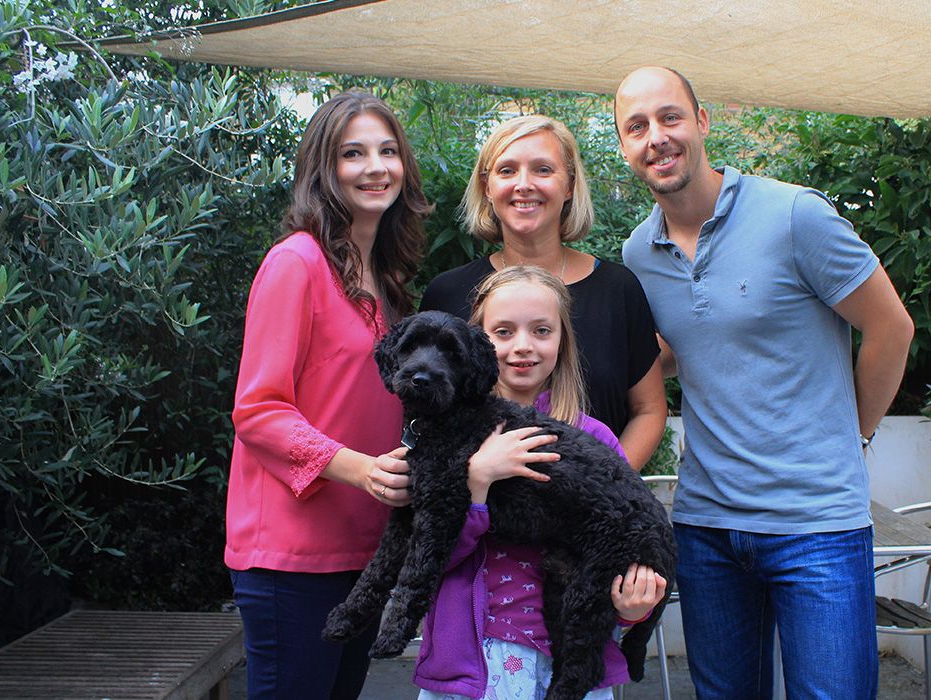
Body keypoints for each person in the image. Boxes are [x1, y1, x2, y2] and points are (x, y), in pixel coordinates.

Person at [614, 67, 916, 700]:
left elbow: (891, 328)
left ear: (701, 122)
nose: (656, 138)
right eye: (636, 127)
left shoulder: (793, 215)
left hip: (816, 527)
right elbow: (683, 345)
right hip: (706, 526)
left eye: (669, 117)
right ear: (624, 147)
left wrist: (853, 434)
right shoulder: (639, 254)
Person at [225, 90, 431, 699]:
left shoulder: (386, 279)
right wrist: (363, 470)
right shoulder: (296, 263)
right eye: (353, 153)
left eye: (388, 151)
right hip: (291, 556)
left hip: (361, 548)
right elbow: (258, 411)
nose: (376, 167)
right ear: (324, 169)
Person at [414, 265, 668, 700]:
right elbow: (429, 556)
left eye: (541, 330)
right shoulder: (446, 437)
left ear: (562, 341)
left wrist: (632, 610)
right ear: (475, 342)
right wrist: (477, 481)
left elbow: (613, 551)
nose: (523, 347)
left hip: (567, 663)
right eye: (503, 332)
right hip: (473, 664)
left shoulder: (594, 441)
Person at [420, 115, 666, 469]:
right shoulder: (446, 295)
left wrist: (606, 486)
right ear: (487, 187)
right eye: (507, 171)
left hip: (593, 513)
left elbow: (649, 409)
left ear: (569, 185)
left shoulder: (618, 290)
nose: (524, 184)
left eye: (542, 170)